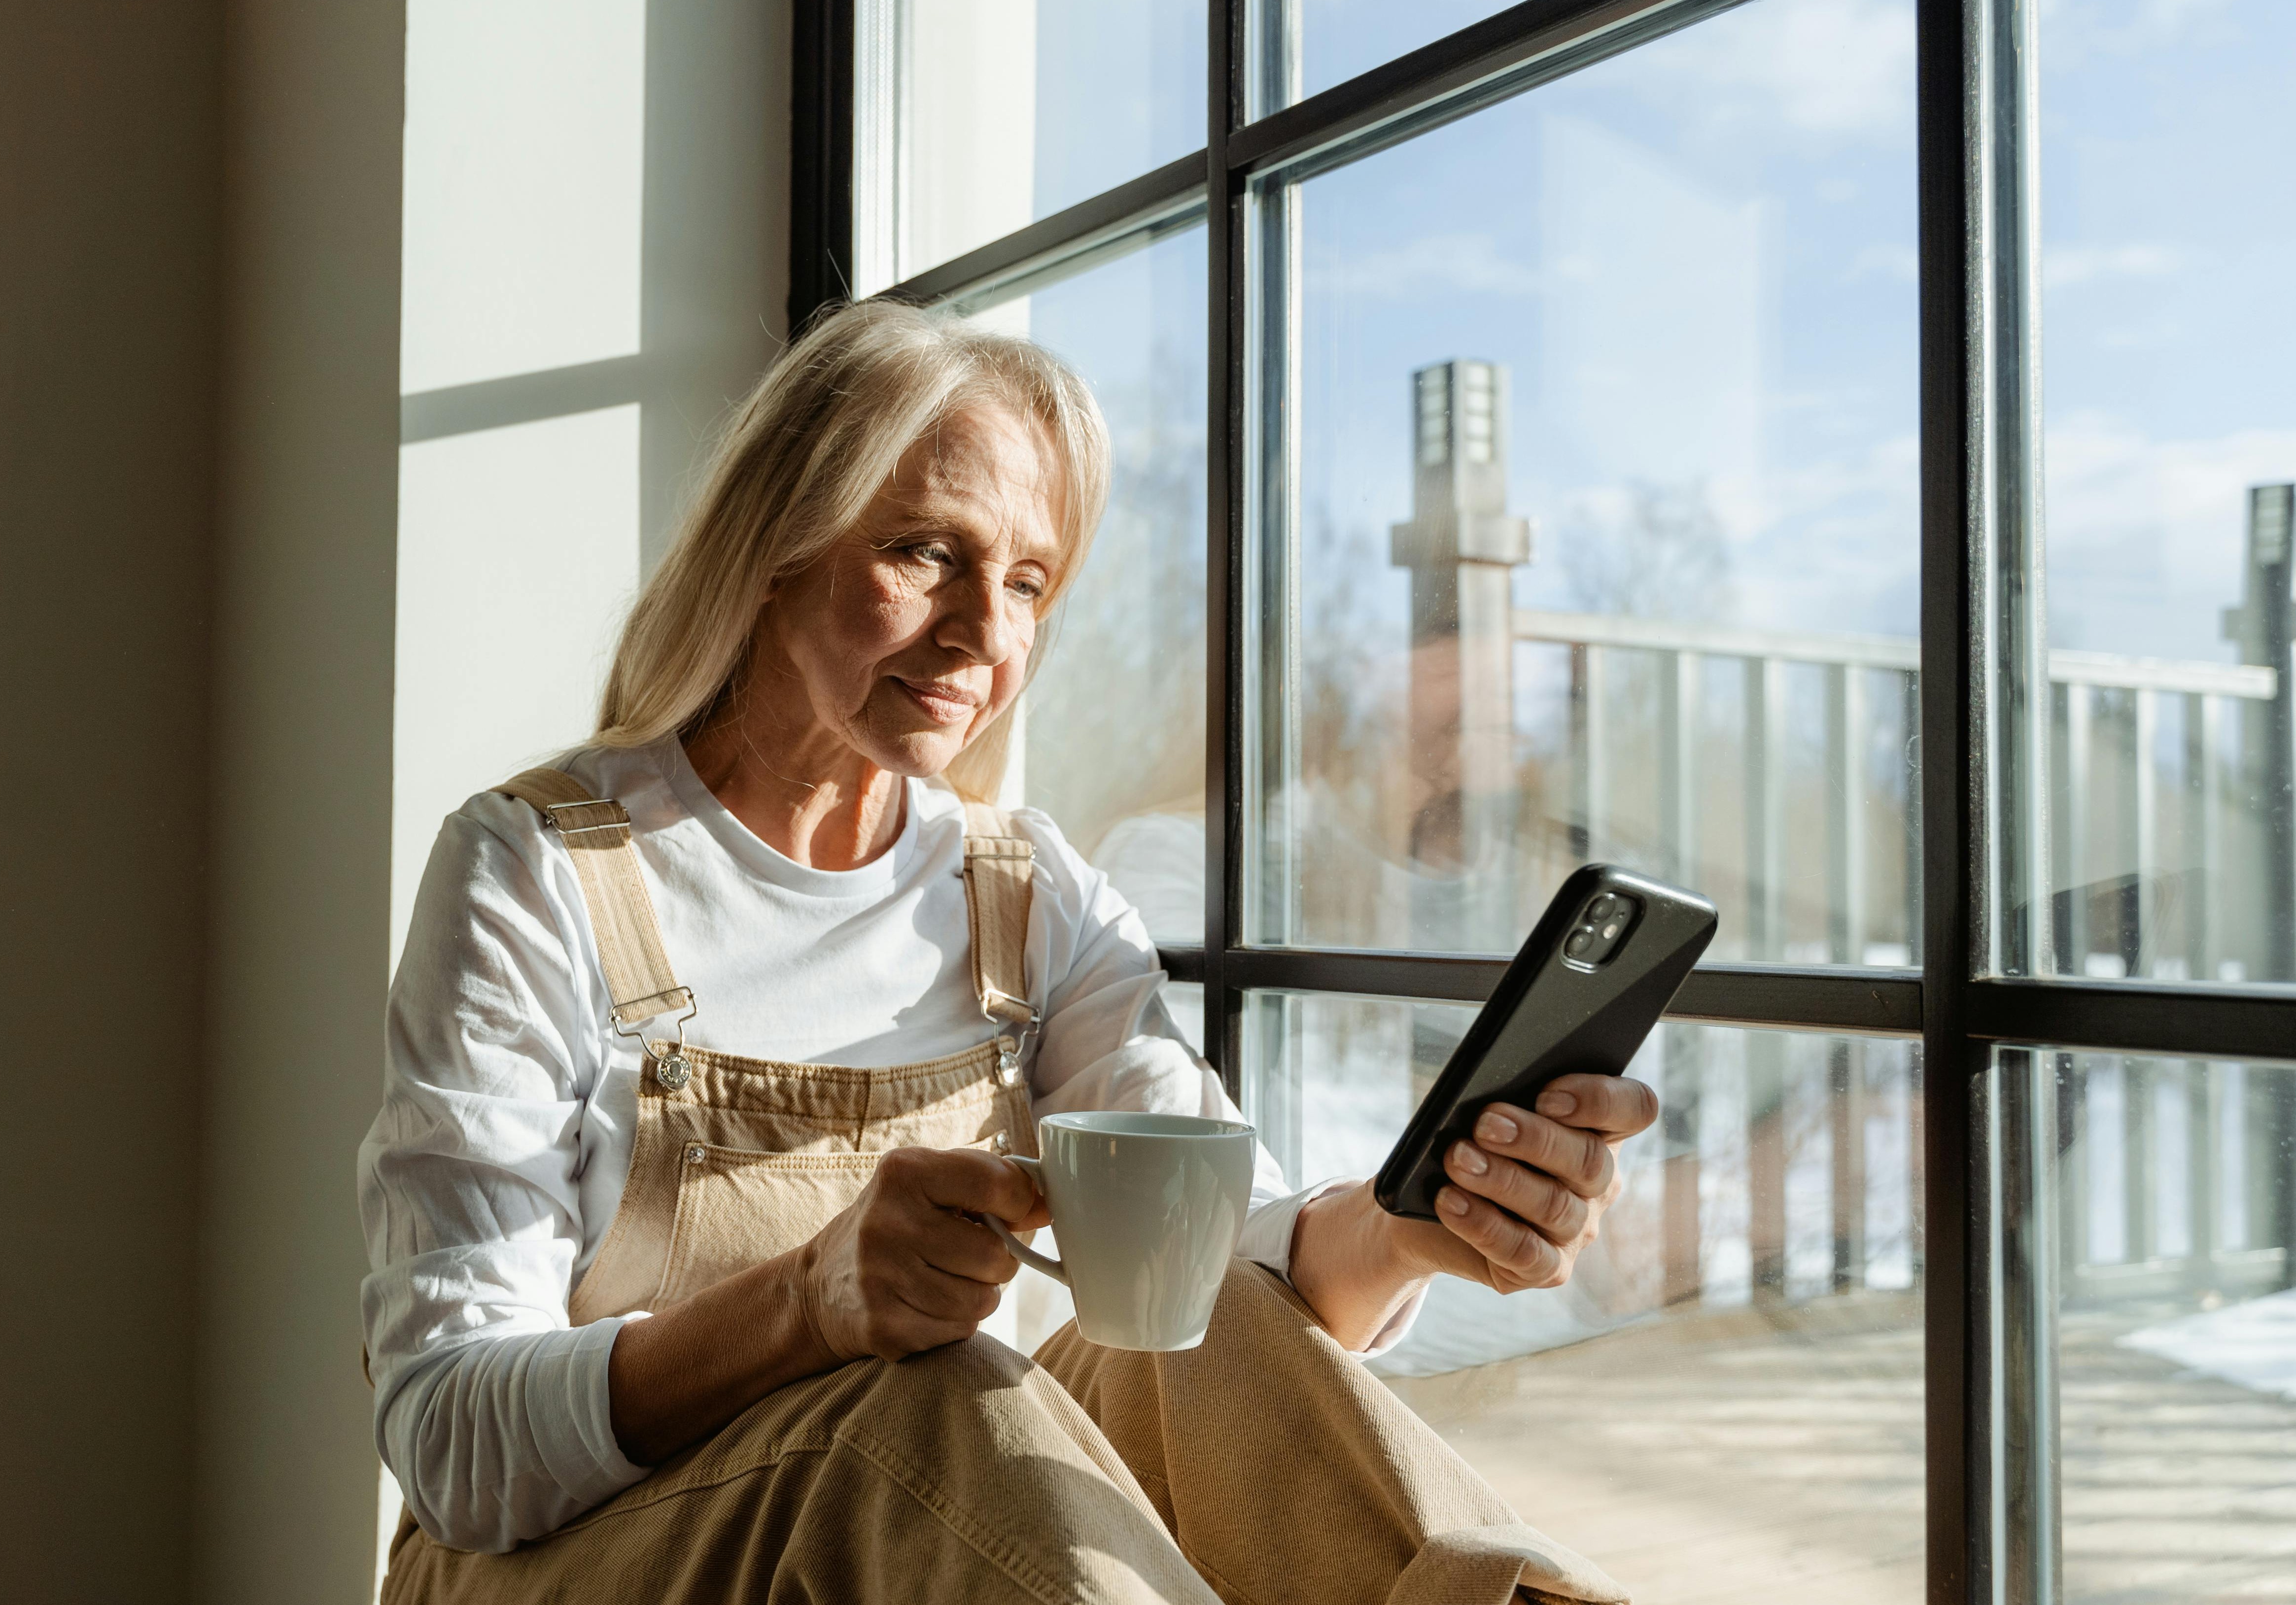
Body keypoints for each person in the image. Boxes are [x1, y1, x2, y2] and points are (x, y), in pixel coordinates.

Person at [361, 300, 1651, 1605]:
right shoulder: (538, 870)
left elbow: (1226, 1247)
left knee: (1223, 1324)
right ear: (773, 547)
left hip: (891, 1564)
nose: (987, 633)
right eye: (928, 552)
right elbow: (453, 1439)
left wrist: (1421, 1221)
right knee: (931, 1396)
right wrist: (808, 1304)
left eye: (1028, 582)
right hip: (561, 1570)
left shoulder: (1026, 893)